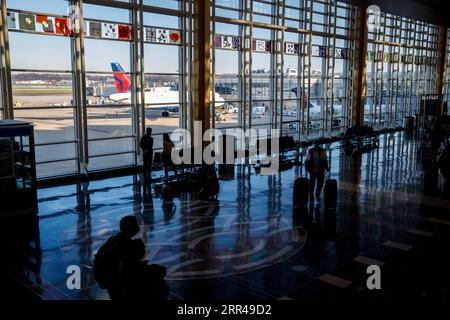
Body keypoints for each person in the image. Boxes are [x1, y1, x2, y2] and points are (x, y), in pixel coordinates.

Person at [93, 216, 140, 300]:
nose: (138, 227)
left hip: (105, 277)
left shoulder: (113, 239)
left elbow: (98, 256)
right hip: (114, 280)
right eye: (137, 225)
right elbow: (126, 268)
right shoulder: (126, 246)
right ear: (132, 229)